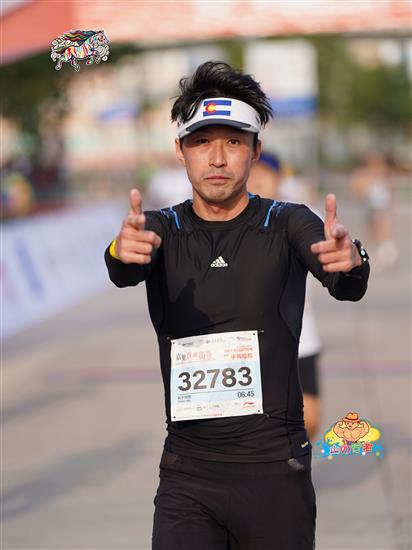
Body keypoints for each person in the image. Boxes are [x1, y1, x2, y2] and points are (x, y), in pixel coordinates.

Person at [104, 61, 370, 550]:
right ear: (180, 150)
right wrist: (121, 250)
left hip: (276, 474)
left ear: (256, 151)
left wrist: (351, 262)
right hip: (187, 476)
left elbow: (345, 281)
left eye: (233, 141)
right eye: (201, 141)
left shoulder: (288, 222)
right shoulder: (160, 229)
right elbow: (123, 266)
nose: (218, 158)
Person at [248, 153, 322, 440]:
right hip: (249, 343)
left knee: (310, 420)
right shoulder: (233, 222)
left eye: (264, 173)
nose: (257, 179)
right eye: (252, 172)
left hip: (301, 336)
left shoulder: (303, 218)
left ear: (280, 178)